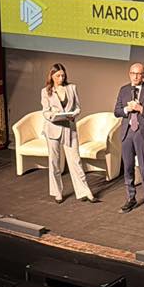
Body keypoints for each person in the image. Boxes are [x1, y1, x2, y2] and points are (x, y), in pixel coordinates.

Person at [40, 63, 95, 204]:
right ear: (52, 76)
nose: (61, 78)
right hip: (53, 128)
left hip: (69, 128)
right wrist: (55, 116)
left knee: (76, 161)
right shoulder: (46, 91)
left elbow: (78, 107)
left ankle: (84, 191)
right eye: (58, 76)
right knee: (54, 162)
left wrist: (73, 114)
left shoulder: (72, 88)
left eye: (63, 75)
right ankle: (57, 192)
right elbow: (45, 112)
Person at [114, 62, 144, 214]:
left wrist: (141, 109)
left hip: (142, 133)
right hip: (127, 132)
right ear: (129, 74)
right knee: (128, 167)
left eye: (139, 74)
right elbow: (116, 111)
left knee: (143, 167)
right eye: (133, 73)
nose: (135, 76)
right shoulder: (123, 90)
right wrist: (126, 109)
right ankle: (131, 198)